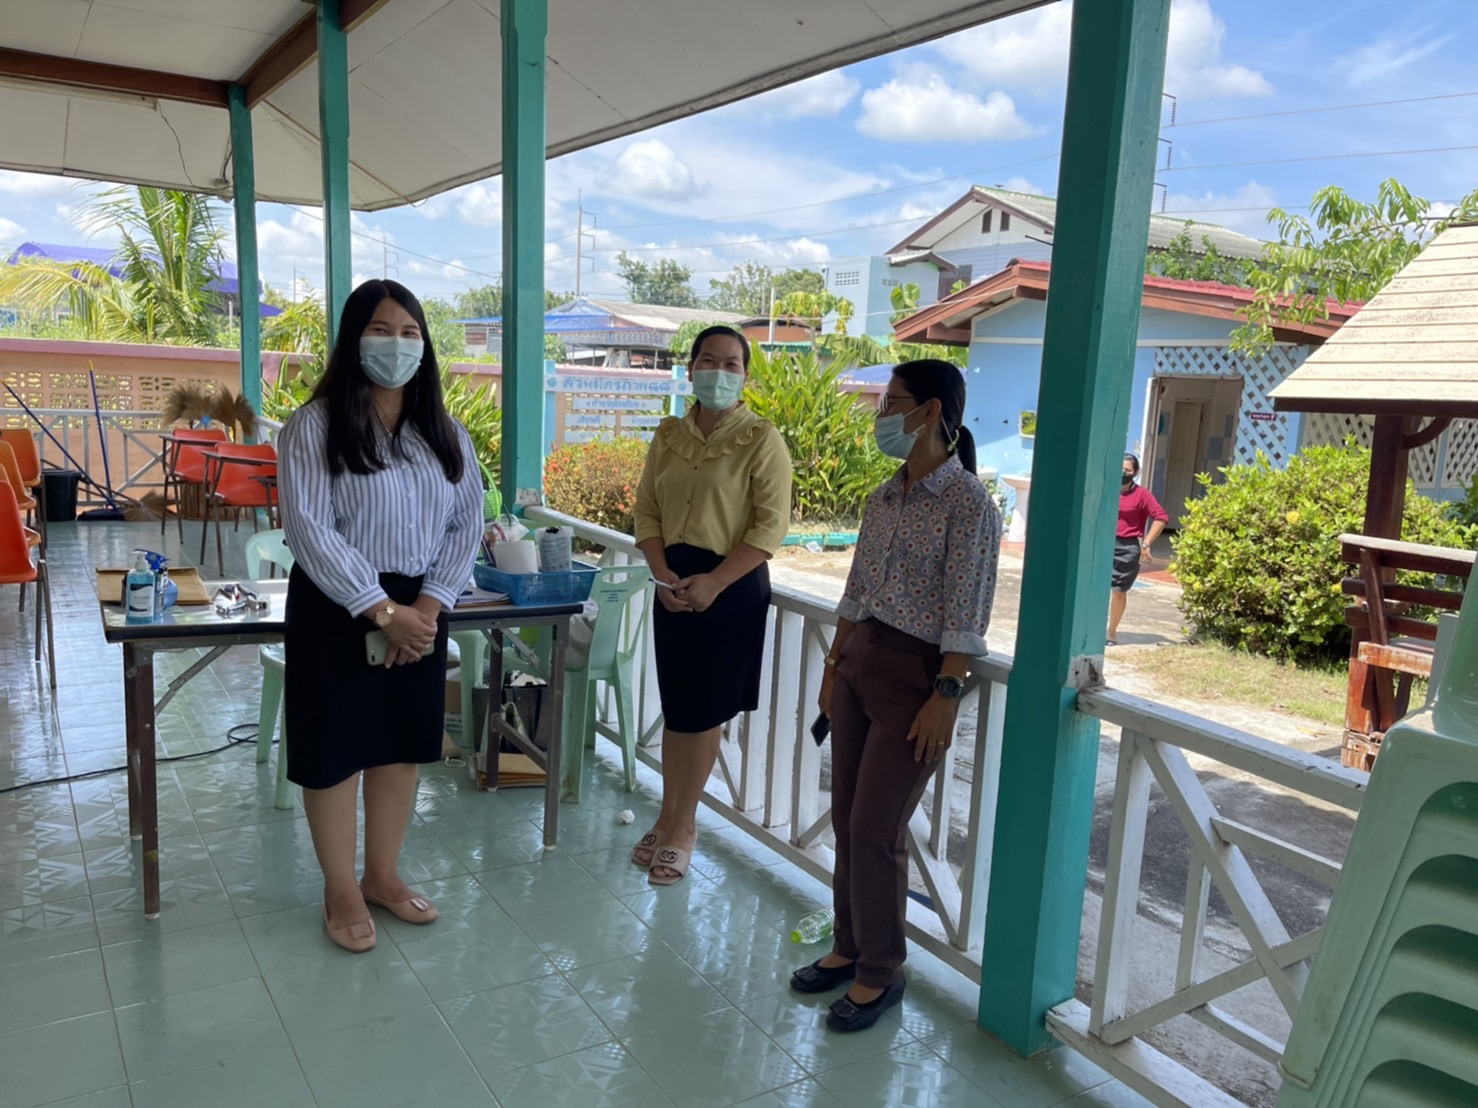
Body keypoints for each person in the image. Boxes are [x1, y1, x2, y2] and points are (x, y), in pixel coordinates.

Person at [791, 359, 1001, 1033]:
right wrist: (834, 664)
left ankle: (881, 971)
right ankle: (848, 946)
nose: (881, 416)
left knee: (876, 829)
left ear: (930, 411)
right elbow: (856, 589)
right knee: (847, 817)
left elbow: (967, 610)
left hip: (917, 677)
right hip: (860, 661)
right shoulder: (884, 497)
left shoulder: (968, 504)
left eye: (892, 403)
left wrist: (947, 693)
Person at [277, 279, 483, 953]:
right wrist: (380, 609)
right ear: (353, 338)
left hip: (421, 607)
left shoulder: (445, 434)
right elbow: (309, 528)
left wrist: (425, 607)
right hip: (337, 604)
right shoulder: (314, 426)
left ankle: (382, 876)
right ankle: (340, 887)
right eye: (380, 330)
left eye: (409, 333)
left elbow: (465, 524)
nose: (397, 345)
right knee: (334, 752)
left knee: (399, 747)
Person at [631, 325, 793, 886]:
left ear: (744, 375)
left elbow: (770, 527)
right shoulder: (668, 435)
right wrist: (662, 576)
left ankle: (684, 827)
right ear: (690, 368)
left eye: (731, 364)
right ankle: (666, 814)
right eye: (708, 360)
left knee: (704, 714)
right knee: (678, 708)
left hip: (729, 588)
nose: (718, 372)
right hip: (673, 584)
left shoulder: (761, 439)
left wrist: (714, 583)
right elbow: (647, 510)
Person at [1107, 452, 1168, 646]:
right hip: (1103, 543)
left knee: (1119, 590)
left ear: (1135, 472)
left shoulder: (1142, 494)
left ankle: (1111, 632)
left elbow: (1161, 517)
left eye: (1127, 470)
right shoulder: (1106, 488)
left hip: (1127, 548)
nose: (1122, 473)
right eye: (1120, 469)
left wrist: (1147, 543)